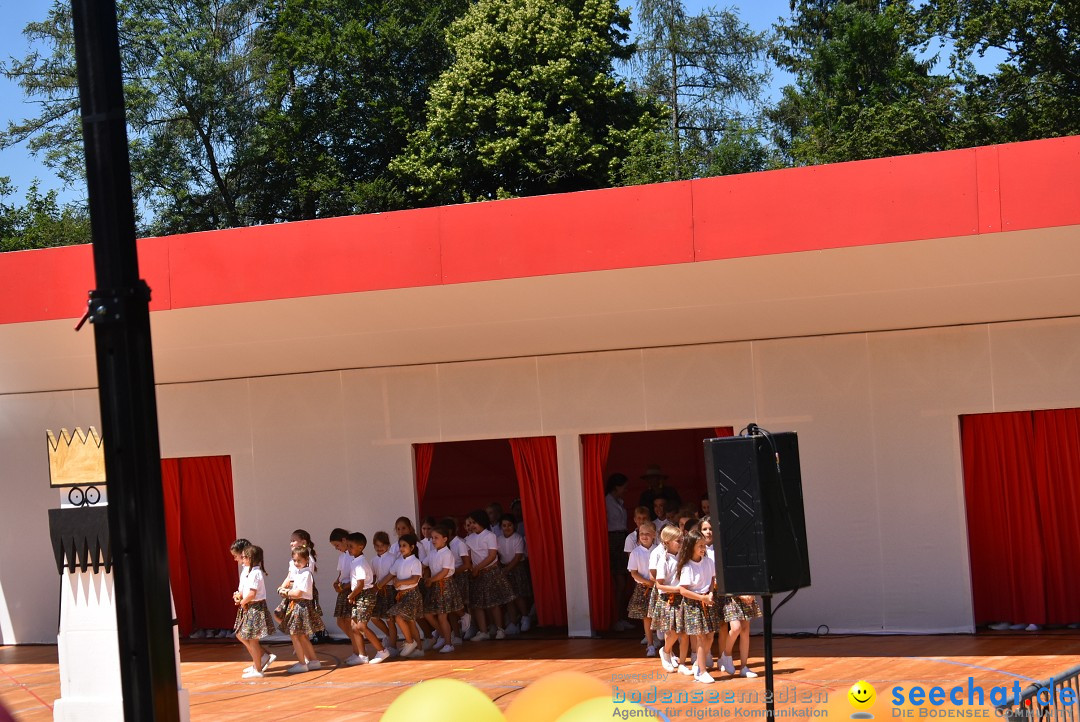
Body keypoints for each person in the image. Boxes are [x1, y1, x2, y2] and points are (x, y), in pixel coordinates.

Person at [464, 509, 514, 640]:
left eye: (474, 522)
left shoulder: (489, 536)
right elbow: (468, 557)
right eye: (470, 523)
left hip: (490, 572)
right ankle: (483, 631)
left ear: (482, 521)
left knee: (494, 603)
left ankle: (500, 629)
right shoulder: (469, 539)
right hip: (477, 574)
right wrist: (471, 569)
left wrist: (478, 568)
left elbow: (492, 556)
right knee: (477, 604)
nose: (472, 525)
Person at [677, 528, 717, 684]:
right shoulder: (687, 566)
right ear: (691, 546)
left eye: (704, 545)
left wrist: (711, 593)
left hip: (707, 600)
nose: (703, 548)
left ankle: (698, 663)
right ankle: (701, 671)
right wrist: (701, 597)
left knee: (710, 635)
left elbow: (712, 579)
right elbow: (683, 590)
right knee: (700, 637)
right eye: (699, 545)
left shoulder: (708, 561)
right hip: (694, 604)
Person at [232, 543, 275, 678]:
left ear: (251, 558)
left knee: (252, 639)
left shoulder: (255, 573)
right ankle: (257, 664)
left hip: (254, 608)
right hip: (249, 607)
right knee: (244, 636)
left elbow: (252, 594)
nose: (242, 559)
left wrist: (242, 602)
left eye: (244, 557)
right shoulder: (251, 572)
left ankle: (258, 669)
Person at [345, 532, 388, 664]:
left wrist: (351, 595)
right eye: (348, 546)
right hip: (359, 596)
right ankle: (362, 655)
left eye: (351, 546)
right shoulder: (355, 561)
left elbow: (361, 584)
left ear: (361, 547)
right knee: (354, 625)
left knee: (362, 626)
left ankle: (382, 651)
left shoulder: (360, 563)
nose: (348, 549)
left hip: (365, 595)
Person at [279, 545, 324, 674]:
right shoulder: (299, 573)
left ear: (306, 560)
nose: (296, 563)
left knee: (295, 635)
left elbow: (298, 593)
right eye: (294, 560)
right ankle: (313, 661)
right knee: (302, 636)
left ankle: (302, 663)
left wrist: (286, 592)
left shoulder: (306, 574)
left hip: (301, 606)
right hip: (298, 605)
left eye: (299, 560)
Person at [651, 525, 686, 674]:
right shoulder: (663, 560)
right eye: (678, 541)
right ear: (667, 542)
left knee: (681, 631)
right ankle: (665, 652)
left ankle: (674, 656)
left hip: (681, 597)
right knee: (671, 630)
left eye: (681, 539)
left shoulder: (681, 557)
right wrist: (677, 589)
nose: (681, 542)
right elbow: (659, 584)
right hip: (668, 598)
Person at [423, 524, 464, 653]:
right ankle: (443, 635)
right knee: (427, 614)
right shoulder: (432, 553)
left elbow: (444, 572)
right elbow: (423, 565)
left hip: (444, 586)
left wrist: (431, 579)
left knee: (442, 616)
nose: (433, 540)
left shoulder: (447, 553)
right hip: (434, 586)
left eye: (436, 537)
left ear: (445, 539)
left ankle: (448, 643)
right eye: (432, 538)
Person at [385, 533, 425, 658]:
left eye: (404, 546)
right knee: (407, 621)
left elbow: (414, 579)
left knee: (400, 618)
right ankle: (418, 647)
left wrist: (401, 582)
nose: (401, 548)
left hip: (412, 595)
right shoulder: (399, 561)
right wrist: (378, 586)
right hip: (402, 596)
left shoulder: (415, 562)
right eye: (400, 546)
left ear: (412, 547)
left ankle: (410, 642)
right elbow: (390, 574)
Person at [605, 473, 633, 632]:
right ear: (616, 486)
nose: (626, 489)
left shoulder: (619, 502)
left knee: (623, 581)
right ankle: (616, 618)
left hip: (622, 537)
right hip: (613, 539)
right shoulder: (606, 501)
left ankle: (620, 617)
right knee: (619, 581)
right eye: (624, 486)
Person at [627, 523, 658, 657]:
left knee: (661, 615)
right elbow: (634, 573)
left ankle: (662, 642)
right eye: (641, 534)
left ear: (654, 535)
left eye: (647, 534)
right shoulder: (635, 552)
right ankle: (650, 644)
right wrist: (648, 582)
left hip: (658, 587)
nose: (644, 536)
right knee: (646, 617)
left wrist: (656, 583)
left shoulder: (659, 550)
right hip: (644, 587)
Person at [497, 513, 532, 634]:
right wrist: (501, 569)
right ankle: (513, 622)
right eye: (504, 525)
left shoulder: (518, 538)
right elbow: (498, 555)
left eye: (509, 525)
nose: (507, 528)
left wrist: (506, 570)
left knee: (518, 595)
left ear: (515, 526)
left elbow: (518, 557)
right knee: (508, 598)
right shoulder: (499, 539)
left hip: (517, 569)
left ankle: (525, 617)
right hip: (504, 569)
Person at [442, 516, 471, 643]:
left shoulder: (460, 543)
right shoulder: (444, 545)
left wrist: (452, 572)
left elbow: (466, 564)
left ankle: (469, 628)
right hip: (449, 578)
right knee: (450, 608)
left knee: (461, 605)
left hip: (460, 577)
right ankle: (457, 635)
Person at [721, 589, 762, 677]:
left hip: (746, 597)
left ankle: (744, 667)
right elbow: (726, 583)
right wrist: (740, 595)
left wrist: (752, 594)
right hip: (731, 598)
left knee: (745, 630)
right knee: (736, 628)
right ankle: (726, 654)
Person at [370, 531, 399, 653]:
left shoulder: (393, 558)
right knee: (374, 617)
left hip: (391, 591)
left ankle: (393, 646)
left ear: (388, 545)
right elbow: (374, 576)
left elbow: (395, 575)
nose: (379, 548)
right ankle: (390, 635)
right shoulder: (373, 560)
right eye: (377, 546)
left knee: (390, 620)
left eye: (382, 545)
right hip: (380, 592)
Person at [329, 528, 352, 641]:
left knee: (348, 621)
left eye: (337, 545)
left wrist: (345, 586)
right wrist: (336, 582)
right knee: (340, 621)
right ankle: (356, 645)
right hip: (343, 590)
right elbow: (341, 573)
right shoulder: (342, 556)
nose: (336, 548)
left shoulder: (353, 555)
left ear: (344, 540)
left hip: (350, 590)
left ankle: (359, 649)